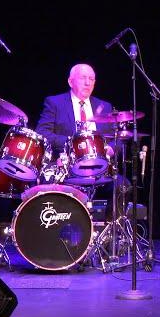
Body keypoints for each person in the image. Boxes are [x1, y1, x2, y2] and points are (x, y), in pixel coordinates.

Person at [35, 63, 130, 218]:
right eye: (83, 78)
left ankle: (111, 237)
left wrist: (111, 148)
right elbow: (42, 133)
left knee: (122, 185)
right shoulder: (55, 103)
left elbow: (117, 138)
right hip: (66, 171)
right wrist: (73, 143)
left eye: (91, 79)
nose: (88, 83)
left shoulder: (104, 106)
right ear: (70, 81)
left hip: (99, 172)